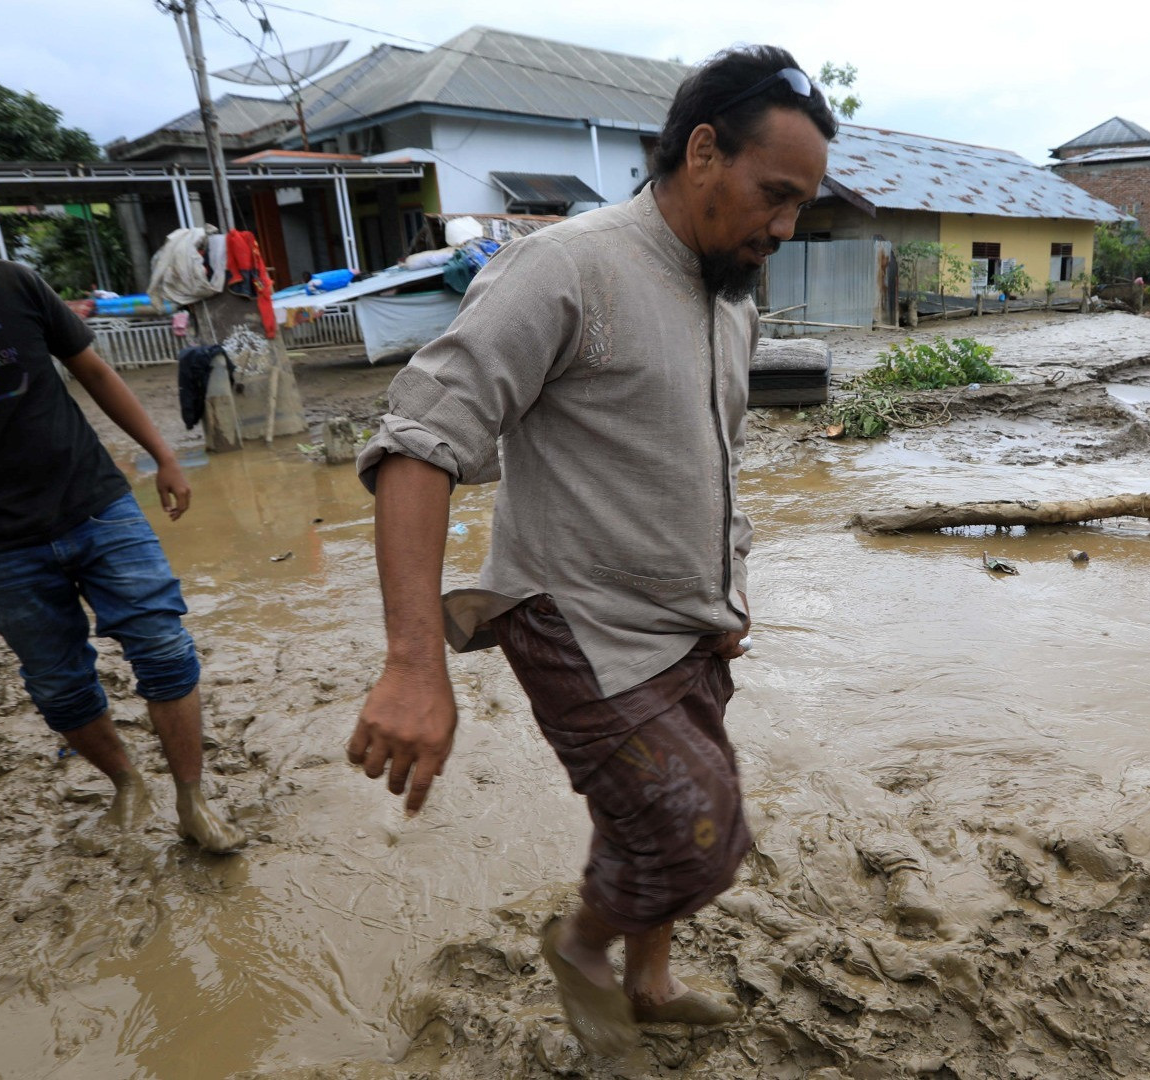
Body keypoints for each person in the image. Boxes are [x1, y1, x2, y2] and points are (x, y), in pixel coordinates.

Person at [344, 46, 833, 1052]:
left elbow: (712, 463)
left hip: (686, 621)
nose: (784, 228)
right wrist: (411, 662)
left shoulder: (727, 297)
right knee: (698, 834)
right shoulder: (567, 267)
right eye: (774, 195)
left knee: (639, 819)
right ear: (702, 151)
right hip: (577, 620)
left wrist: (726, 595)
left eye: (799, 207)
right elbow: (419, 442)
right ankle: (580, 946)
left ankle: (648, 983)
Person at [0, 128, 243, 854]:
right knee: (60, 685)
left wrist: (162, 454)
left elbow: (95, 373)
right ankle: (127, 780)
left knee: (163, 647)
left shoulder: (10, 283)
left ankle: (192, 799)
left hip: (98, 503)